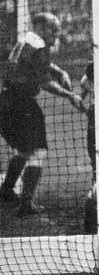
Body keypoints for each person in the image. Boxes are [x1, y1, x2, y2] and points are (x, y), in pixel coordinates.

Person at [0, 13, 83, 215]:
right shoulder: (39, 47)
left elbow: (36, 65)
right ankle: (26, 204)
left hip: (6, 102)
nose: (57, 35)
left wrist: (59, 71)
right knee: (38, 151)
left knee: (23, 150)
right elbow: (44, 82)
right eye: (54, 30)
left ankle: (6, 189)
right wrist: (70, 95)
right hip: (22, 105)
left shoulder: (26, 40)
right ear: (41, 27)